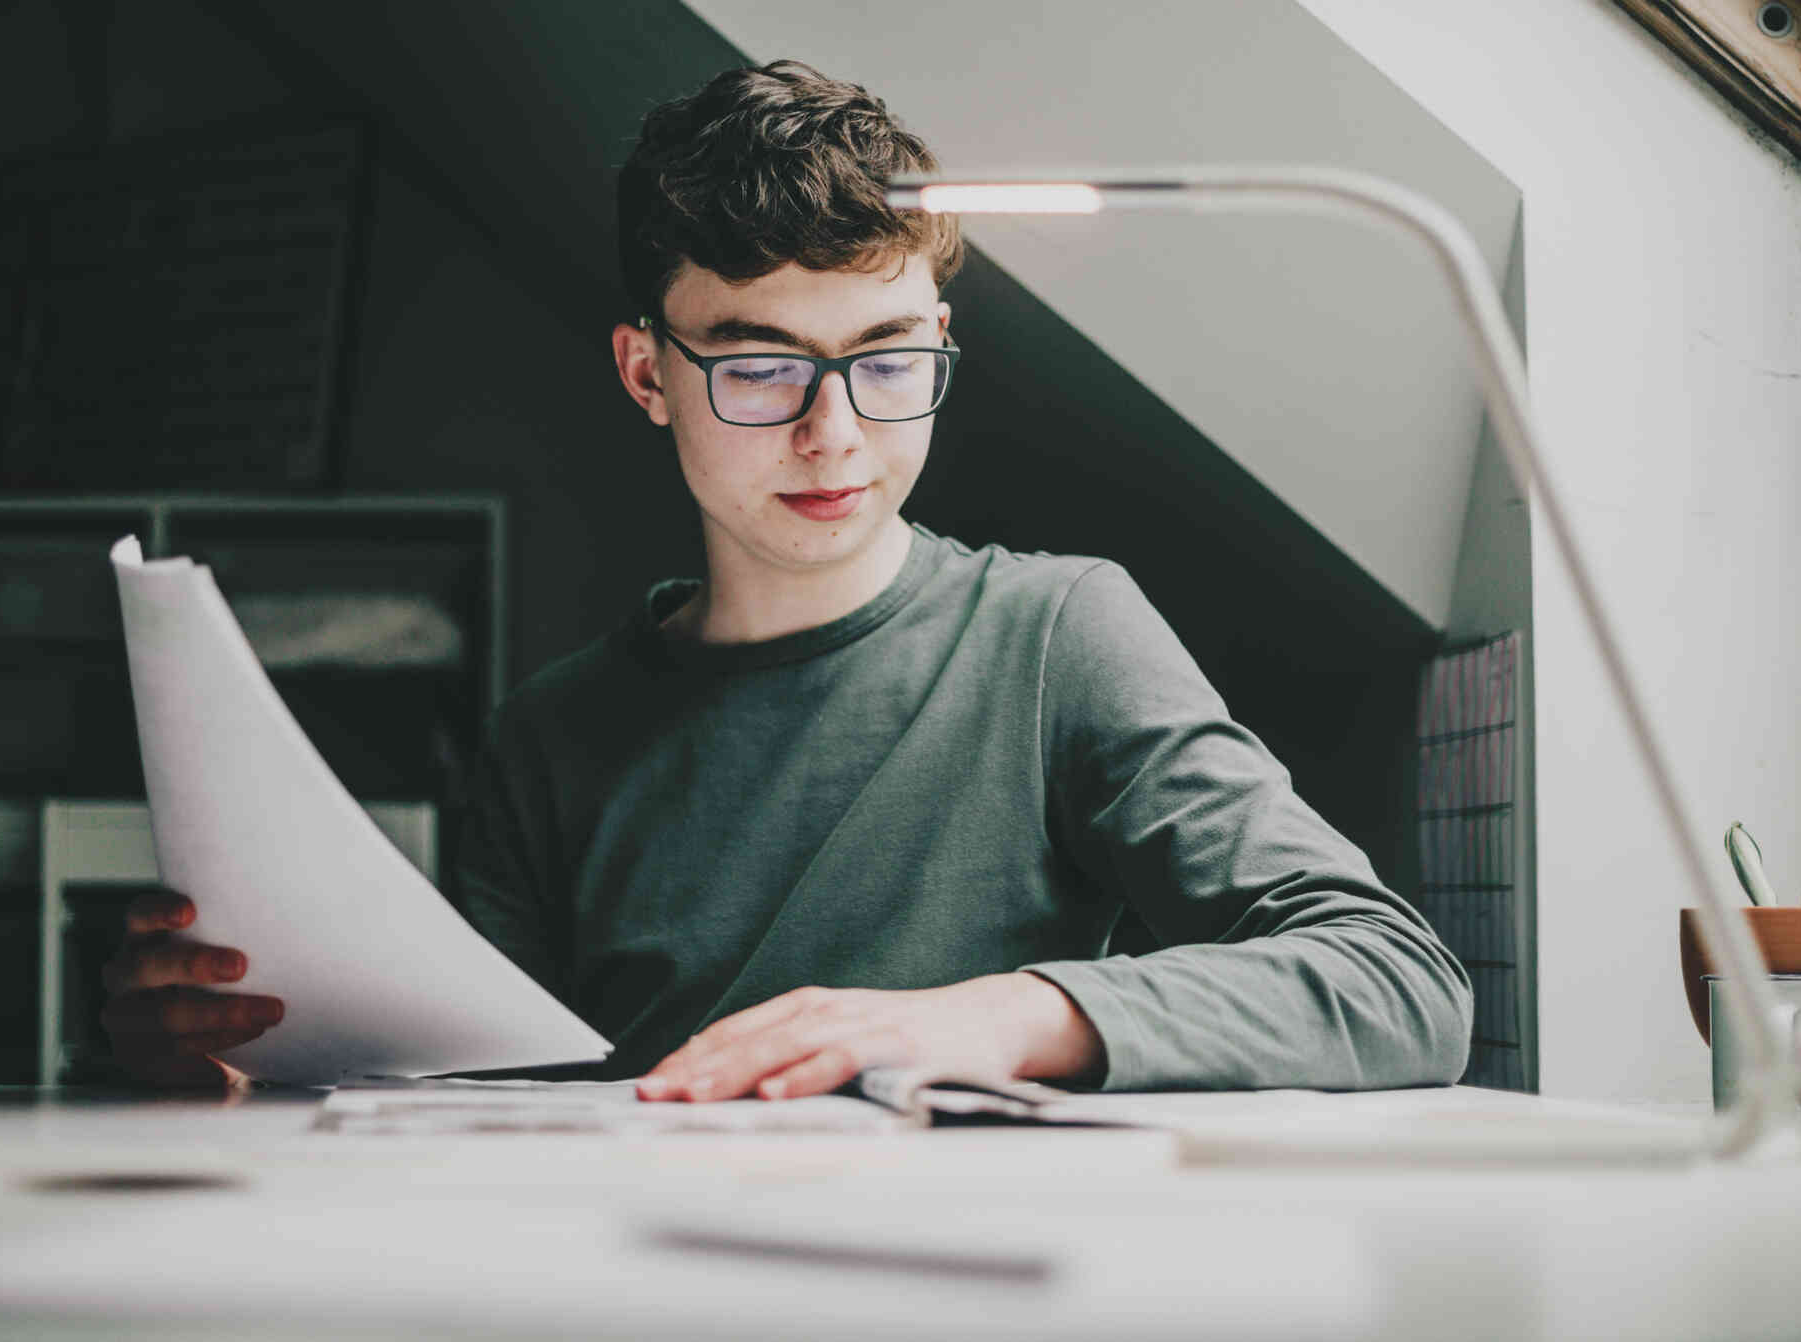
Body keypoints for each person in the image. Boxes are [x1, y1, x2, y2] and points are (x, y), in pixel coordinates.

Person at [102, 61, 1474, 1099]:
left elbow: (1399, 981)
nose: (835, 432)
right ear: (649, 372)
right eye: (759, 368)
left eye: (886, 360)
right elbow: (474, 1103)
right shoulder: (549, 740)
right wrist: (247, 1068)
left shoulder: (1060, 635)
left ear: (939, 338)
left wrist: (990, 1015)